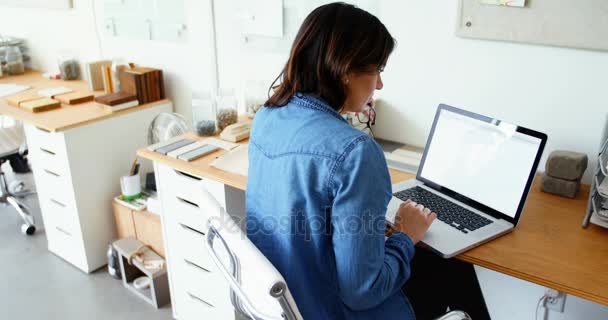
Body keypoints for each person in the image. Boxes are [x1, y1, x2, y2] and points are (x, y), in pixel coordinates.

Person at [246, 2, 489, 319]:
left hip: (291, 301)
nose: (380, 84)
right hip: (334, 309)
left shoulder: (267, 117)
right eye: (377, 70)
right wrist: (404, 235)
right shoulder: (356, 152)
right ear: (346, 70)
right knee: (456, 270)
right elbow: (363, 291)